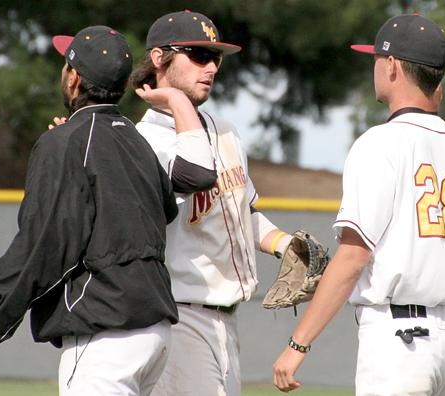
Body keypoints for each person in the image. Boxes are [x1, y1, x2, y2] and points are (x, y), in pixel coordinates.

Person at [0, 25, 180, 396]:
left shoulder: (66, 142)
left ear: (74, 79)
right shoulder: (136, 140)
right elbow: (166, 210)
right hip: (156, 332)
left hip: (106, 335)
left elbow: (42, 246)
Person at [272, 14, 445, 395]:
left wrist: (297, 344)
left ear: (390, 66)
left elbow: (354, 257)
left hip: (400, 341)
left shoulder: (380, 144)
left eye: (375, 58)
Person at [131, 10, 299, 396]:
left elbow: (241, 212)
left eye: (215, 58)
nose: (210, 67)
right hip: (179, 317)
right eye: (198, 54)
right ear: (159, 58)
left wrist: (284, 245)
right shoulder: (145, 143)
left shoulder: (225, 131)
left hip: (226, 322)